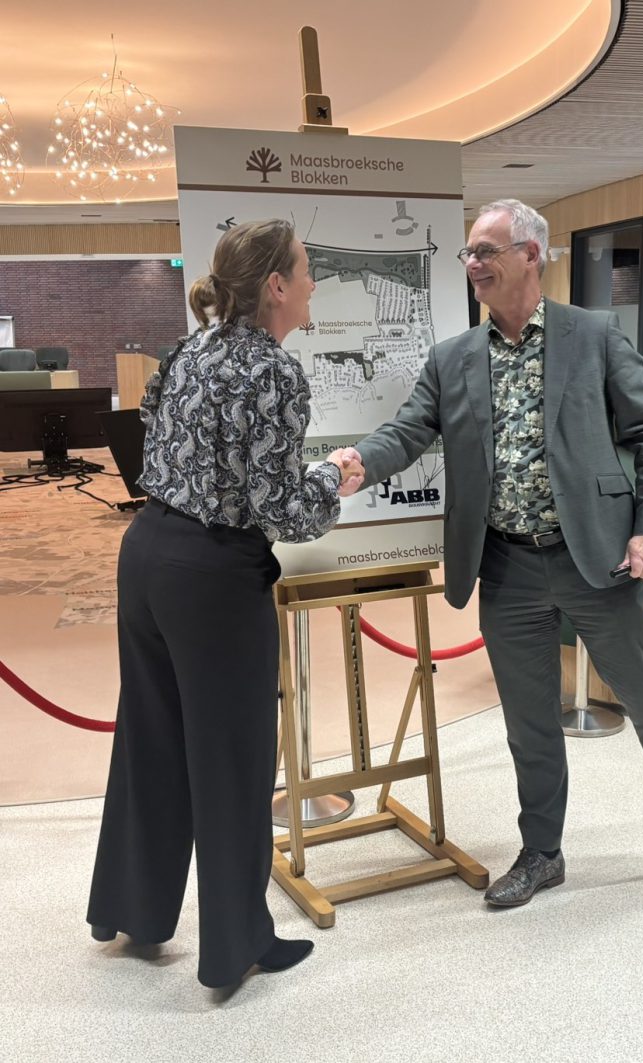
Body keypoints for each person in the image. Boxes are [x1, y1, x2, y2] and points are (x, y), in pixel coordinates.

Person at [338, 198, 643, 907]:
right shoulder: (453, 357)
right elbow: (409, 429)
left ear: (530, 255)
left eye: (485, 250)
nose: (473, 263)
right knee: (529, 722)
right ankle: (543, 852)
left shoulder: (593, 336)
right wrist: (359, 461)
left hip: (597, 561)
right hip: (507, 567)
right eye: (468, 253)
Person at [87, 219, 364, 988]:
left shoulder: (192, 347)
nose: (312, 284)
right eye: (305, 271)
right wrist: (335, 475)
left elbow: (161, 448)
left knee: (150, 741)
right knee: (235, 758)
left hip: (146, 553)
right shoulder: (273, 370)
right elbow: (286, 512)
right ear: (276, 286)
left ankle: (134, 910)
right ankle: (237, 943)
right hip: (212, 577)